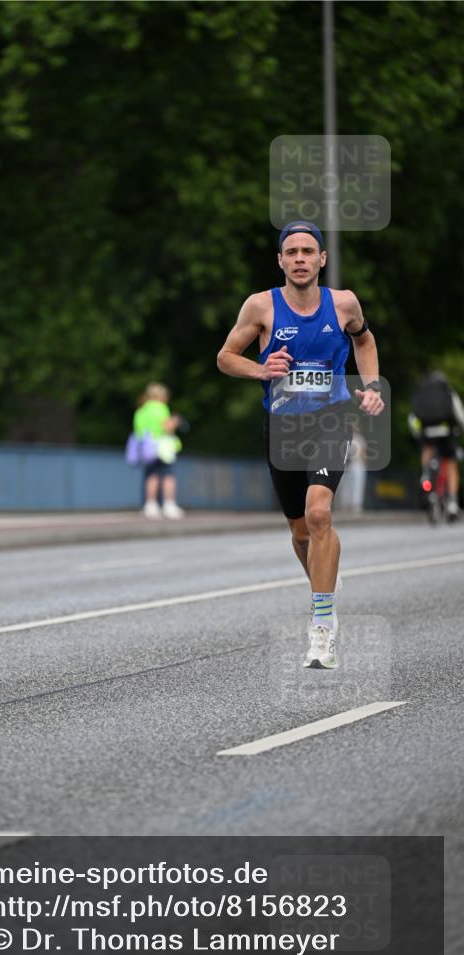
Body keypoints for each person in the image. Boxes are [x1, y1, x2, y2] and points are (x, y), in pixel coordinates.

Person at [217, 220, 384, 669]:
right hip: (283, 427)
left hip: (331, 420)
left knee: (319, 513)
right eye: (291, 252)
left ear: (322, 259)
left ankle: (322, 628)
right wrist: (261, 370)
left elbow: (364, 341)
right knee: (299, 532)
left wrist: (370, 387)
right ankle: (325, 582)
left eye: (308, 251)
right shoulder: (260, 307)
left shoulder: (344, 303)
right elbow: (225, 357)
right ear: (280, 261)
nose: (300, 259)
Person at [408, 370, 464, 521]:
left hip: (427, 432)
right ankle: (452, 503)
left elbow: (413, 416)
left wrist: (417, 434)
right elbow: (459, 414)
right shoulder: (448, 391)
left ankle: (426, 475)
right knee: (451, 463)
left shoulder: (422, 392)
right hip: (445, 432)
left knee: (427, 450)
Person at [133, 383, 185, 519]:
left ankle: (150, 505)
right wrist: (175, 421)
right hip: (162, 446)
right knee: (168, 476)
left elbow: (138, 431)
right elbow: (166, 427)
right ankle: (169, 505)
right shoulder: (160, 408)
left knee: (152, 476)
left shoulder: (141, 410)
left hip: (147, 447)